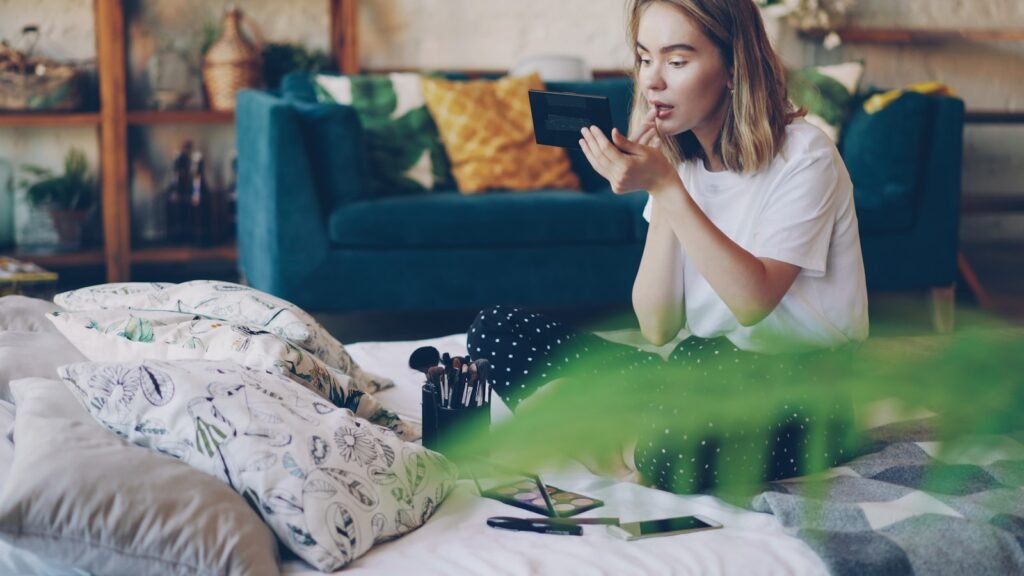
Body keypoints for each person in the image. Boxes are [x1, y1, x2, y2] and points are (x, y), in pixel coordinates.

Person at [468, 0, 868, 494]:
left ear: (733, 68)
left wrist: (668, 191)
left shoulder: (805, 156)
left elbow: (752, 302)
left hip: (806, 396)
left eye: (676, 62)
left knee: (669, 438)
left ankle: (611, 434)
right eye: (643, 59)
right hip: (699, 374)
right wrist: (665, 184)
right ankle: (621, 438)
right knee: (497, 332)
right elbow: (657, 328)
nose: (653, 81)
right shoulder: (682, 163)